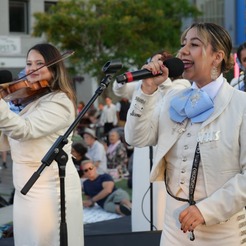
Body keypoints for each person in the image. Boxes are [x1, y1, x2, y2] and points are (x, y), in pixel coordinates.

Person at [124, 22, 246, 245]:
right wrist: (147, 90)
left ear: (217, 57)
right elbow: (136, 138)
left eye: (194, 44)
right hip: (173, 231)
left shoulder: (241, 104)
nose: (183, 51)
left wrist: (206, 210)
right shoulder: (173, 98)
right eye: (183, 44)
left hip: (223, 234)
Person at [0, 43, 84, 245]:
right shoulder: (30, 100)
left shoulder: (59, 102)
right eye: (29, 63)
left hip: (49, 187)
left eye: (39, 63)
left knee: (46, 240)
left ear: (54, 68)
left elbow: (24, 130)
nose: (31, 68)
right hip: (24, 185)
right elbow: (8, 140)